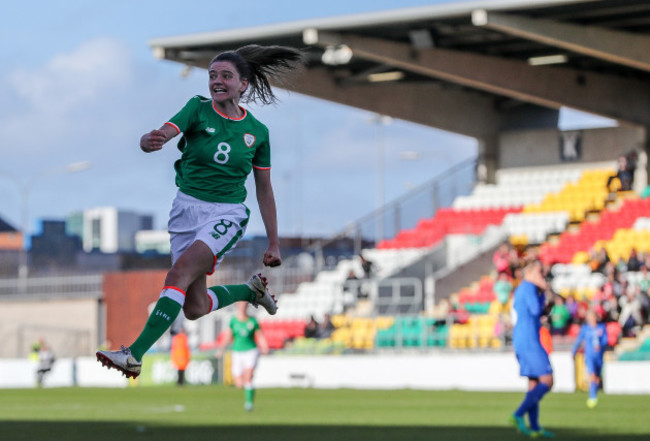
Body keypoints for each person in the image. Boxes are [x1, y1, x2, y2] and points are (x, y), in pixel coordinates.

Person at [96, 45, 306, 379]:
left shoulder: (258, 134)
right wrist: (152, 139)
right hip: (185, 211)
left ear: (243, 85)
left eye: (225, 76)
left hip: (226, 213)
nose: (217, 81)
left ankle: (133, 354)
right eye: (212, 76)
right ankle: (250, 291)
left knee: (177, 275)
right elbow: (167, 130)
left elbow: (264, 189)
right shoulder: (197, 109)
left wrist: (274, 242)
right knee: (193, 308)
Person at [509, 261, 555, 438]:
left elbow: (540, 312)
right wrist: (544, 290)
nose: (542, 276)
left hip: (523, 337)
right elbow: (536, 310)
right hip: (529, 339)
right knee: (548, 380)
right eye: (539, 272)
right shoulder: (528, 287)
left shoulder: (523, 289)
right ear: (528, 273)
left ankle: (535, 427)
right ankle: (518, 414)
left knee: (534, 383)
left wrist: (544, 296)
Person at [217, 301, 269, 411]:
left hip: (251, 350)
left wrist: (264, 346)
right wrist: (221, 349)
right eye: (240, 305)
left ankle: (249, 403)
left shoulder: (252, 321)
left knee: (248, 378)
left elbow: (260, 336)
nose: (242, 308)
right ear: (237, 306)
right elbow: (228, 336)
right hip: (237, 351)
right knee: (239, 384)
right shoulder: (233, 321)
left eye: (244, 305)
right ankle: (247, 388)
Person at [571, 309, 608, 408]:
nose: (591, 319)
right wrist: (573, 351)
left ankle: (594, 395)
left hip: (599, 356)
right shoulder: (585, 329)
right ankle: (592, 397)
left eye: (593, 317)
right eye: (589, 317)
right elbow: (579, 340)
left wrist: (601, 345)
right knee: (592, 375)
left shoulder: (601, 327)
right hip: (589, 355)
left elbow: (605, 340)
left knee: (596, 377)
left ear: (596, 317)